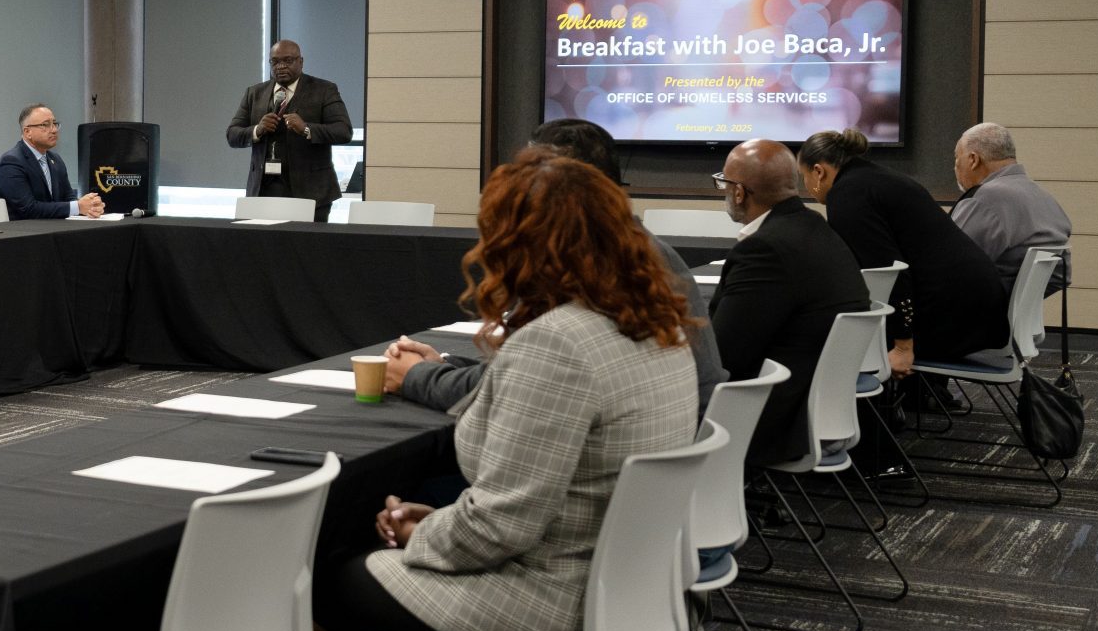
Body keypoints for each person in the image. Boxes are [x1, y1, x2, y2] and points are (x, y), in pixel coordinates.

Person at [315, 150, 699, 631]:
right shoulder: (655, 329)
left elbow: (503, 523)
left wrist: (424, 536)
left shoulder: (557, 343)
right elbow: (539, 495)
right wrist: (443, 520)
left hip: (553, 607)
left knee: (318, 602)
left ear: (520, 243)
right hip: (611, 598)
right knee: (371, 602)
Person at [386, 119, 724, 418]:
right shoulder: (636, 248)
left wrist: (417, 376)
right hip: (673, 452)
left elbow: (526, 380)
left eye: (534, 178)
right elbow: (525, 373)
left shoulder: (591, 268)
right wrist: (443, 366)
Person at [702, 139, 871, 464]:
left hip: (773, 420)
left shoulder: (764, 250)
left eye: (723, 183)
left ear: (739, 192)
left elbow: (723, 358)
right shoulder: (813, 226)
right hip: (817, 406)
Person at [799, 129, 1006, 373]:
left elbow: (889, 273)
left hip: (957, 317)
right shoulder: (877, 179)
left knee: (828, 335)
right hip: (980, 306)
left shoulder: (847, 195)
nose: (805, 185)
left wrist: (903, 347)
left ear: (818, 172)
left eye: (803, 176)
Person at [225, 38, 354, 219]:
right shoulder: (254, 93)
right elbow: (232, 135)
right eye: (275, 62)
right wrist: (257, 129)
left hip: (311, 192)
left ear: (301, 62)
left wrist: (306, 129)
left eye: (288, 60)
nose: (281, 66)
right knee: (264, 246)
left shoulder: (324, 90)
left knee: (307, 247)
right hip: (263, 191)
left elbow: (344, 131)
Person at [950, 121, 1071, 293]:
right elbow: (1060, 276)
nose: (955, 166)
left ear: (973, 159)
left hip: (978, 312)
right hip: (1015, 313)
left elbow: (949, 262)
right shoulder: (1043, 196)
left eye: (957, 158)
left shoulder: (984, 199)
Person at [0, 104, 105, 220]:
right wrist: (78, 207)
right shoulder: (11, 162)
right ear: (27, 132)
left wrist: (89, 207)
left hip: (48, 230)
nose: (54, 130)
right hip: (14, 233)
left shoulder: (56, 160)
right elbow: (29, 209)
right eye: (45, 125)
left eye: (54, 124)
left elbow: (68, 199)